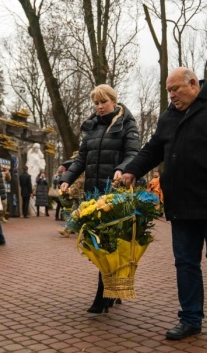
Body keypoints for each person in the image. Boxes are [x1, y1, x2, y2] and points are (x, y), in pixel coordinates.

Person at [121, 67, 207, 340]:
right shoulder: (168, 117)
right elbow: (152, 149)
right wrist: (132, 170)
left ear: (193, 84)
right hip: (182, 203)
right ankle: (190, 318)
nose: (171, 95)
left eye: (175, 89)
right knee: (185, 262)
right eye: (168, 91)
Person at [59, 84, 140, 314]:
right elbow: (82, 158)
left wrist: (122, 169)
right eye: (96, 103)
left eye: (103, 102)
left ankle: (103, 295)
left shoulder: (127, 125)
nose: (99, 107)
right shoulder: (92, 127)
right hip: (93, 194)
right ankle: (112, 290)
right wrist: (67, 178)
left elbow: (133, 153)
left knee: (108, 244)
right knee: (98, 244)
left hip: (116, 193)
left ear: (114, 101)